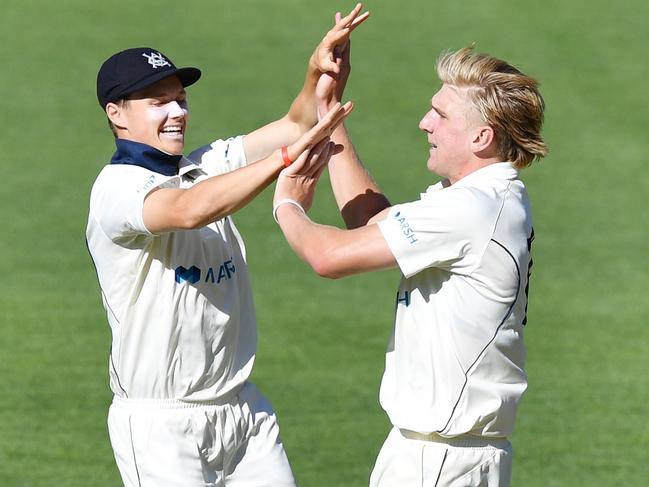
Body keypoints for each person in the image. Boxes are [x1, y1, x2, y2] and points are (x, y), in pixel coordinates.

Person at [85, 5, 368, 486]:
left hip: (242, 411)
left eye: (180, 98)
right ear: (117, 114)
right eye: (158, 102)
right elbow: (187, 210)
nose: (178, 111)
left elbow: (298, 122)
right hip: (161, 425)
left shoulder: (205, 163)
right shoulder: (117, 190)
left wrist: (318, 72)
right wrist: (283, 160)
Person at [272, 44, 548, 486]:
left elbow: (329, 257)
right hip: (443, 453)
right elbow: (376, 224)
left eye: (440, 114)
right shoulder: (485, 196)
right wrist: (330, 116)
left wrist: (287, 203)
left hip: (440, 459)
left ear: (482, 137)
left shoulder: (472, 207)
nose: (425, 123)